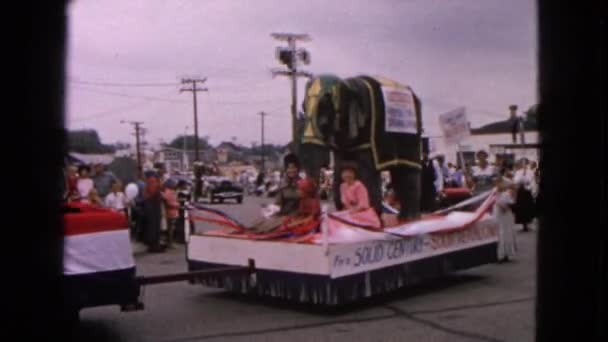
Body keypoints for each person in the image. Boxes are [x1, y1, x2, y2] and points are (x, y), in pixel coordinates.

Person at [249, 154, 302, 233]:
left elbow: (306, 205)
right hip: (282, 214)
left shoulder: (303, 184)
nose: (291, 170)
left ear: (298, 169)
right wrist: (269, 209)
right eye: (288, 168)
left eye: (293, 168)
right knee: (259, 222)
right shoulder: (282, 184)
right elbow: (278, 204)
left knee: (269, 227)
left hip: (296, 217)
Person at [494, 176, 517, 262]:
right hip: (497, 214)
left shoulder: (507, 193)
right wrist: (500, 206)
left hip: (506, 215)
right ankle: (500, 254)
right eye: (497, 183)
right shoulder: (494, 192)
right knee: (499, 233)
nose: (499, 185)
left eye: (501, 183)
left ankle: (506, 253)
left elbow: (511, 203)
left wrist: (505, 206)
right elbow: (493, 201)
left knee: (506, 232)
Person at [513, 158, 536, 232]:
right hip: (520, 191)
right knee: (521, 208)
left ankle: (527, 224)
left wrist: (528, 186)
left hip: (527, 191)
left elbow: (531, 181)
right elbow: (516, 181)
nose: (524, 165)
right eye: (522, 163)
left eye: (525, 163)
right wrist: (522, 177)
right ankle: (523, 225)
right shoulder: (518, 172)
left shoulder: (531, 172)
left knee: (527, 208)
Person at [161, 179, 180, 248]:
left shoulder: (171, 192)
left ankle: (170, 242)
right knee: (170, 229)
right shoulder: (168, 192)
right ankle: (170, 243)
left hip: (172, 212)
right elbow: (168, 203)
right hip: (170, 212)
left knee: (171, 228)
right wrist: (176, 205)